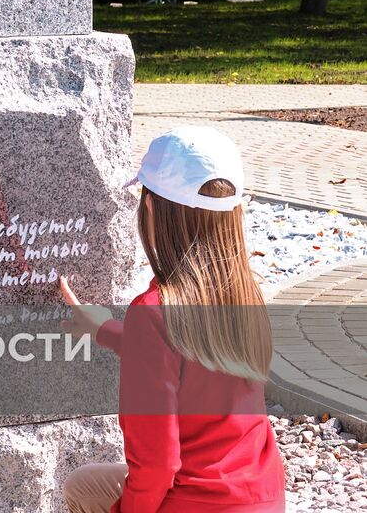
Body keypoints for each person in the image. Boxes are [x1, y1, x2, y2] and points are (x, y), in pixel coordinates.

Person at [61, 126, 285, 513]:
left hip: (196, 503)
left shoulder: (154, 311)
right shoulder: (244, 293)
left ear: (149, 207)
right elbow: (189, 353)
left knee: (81, 488)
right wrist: (105, 330)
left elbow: (158, 464)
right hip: (261, 498)